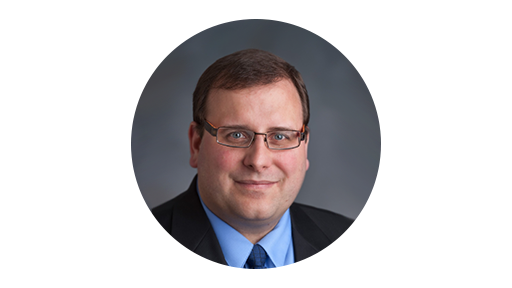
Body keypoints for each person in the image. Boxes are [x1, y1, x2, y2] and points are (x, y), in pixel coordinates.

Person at [132, 49, 363, 269]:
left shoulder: (358, 248)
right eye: (236, 135)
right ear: (196, 144)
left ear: (305, 146)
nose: (258, 160)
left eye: (280, 136)